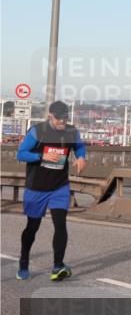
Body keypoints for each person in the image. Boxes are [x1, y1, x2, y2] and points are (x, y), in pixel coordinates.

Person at [15, 100, 86, 281]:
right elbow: (20, 153)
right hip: (36, 188)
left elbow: (79, 146)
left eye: (64, 119)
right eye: (58, 120)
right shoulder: (37, 131)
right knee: (32, 227)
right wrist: (41, 155)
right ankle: (23, 262)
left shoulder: (71, 132)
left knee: (60, 223)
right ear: (50, 116)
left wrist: (81, 157)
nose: (62, 123)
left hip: (59, 187)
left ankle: (57, 266)